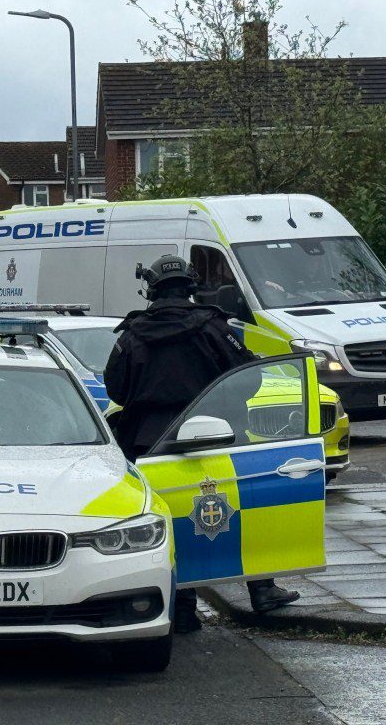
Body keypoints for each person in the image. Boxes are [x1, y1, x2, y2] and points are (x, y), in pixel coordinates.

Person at [104, 254, 300, 634]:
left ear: (151, 289)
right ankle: (262, 589)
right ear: (191, 286)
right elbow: (248, 379)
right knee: (238, 508)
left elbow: (117, 389)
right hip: (215, 434)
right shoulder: (215, 328)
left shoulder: (132, 336)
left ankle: (181, 609)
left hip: (151, 442)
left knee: (167, 520)